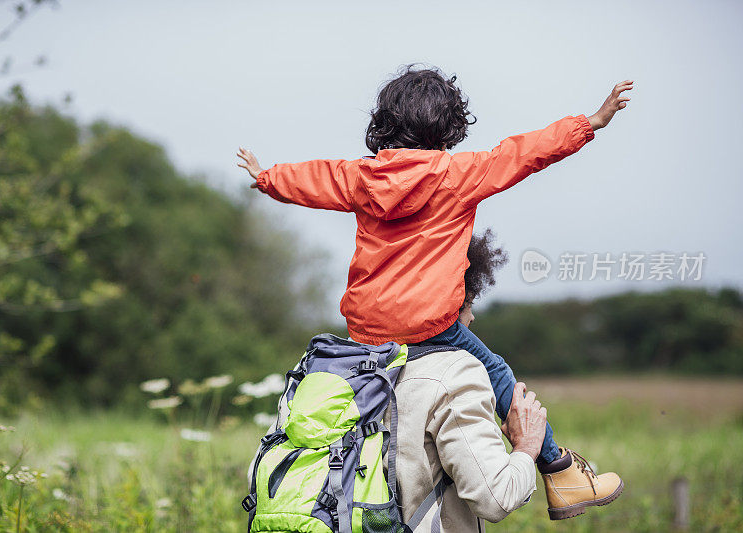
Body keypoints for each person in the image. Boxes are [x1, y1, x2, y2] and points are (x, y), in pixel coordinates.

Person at [236, 65, 630, 518]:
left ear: (386, 124)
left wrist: (267, 177)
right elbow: (526, 152)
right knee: (497, 371)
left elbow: (316, 180)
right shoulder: (461, 173)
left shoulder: (363, 177)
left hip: (366, 329)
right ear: (448, 128)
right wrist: (590, 123)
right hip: (429, 326)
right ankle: (559, 471)